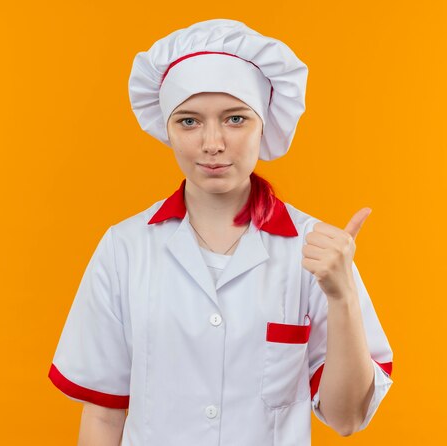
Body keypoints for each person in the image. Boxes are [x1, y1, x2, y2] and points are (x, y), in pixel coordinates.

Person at [48, 18, 394, 446]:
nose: (212, 143)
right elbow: (103, 417)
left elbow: (347, 419)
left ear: (264, 123)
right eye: (189, 122)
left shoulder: (316, 251)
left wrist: (341, 297)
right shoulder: (125, 249)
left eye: (235, 118)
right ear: (167, 130)